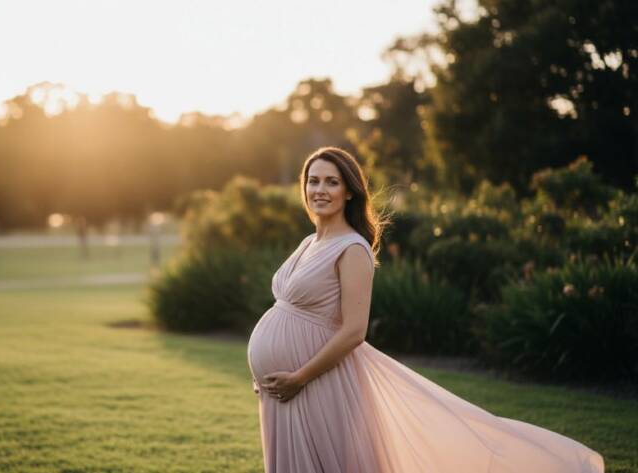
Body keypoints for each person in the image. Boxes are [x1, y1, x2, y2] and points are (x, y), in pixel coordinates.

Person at [245, 146, 605, 472]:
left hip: (317, 383)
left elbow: (354, 331)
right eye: (313, 181)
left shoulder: (352, 248)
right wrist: (267, 370)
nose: (319, 189)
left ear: (349, 190)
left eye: (331, 182)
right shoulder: (310, 241)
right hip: (284, 387)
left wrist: (300, 376)